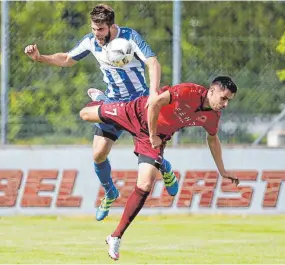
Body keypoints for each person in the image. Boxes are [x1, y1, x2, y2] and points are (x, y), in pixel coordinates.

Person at [24, 4, 178, 221]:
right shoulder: (90, 41)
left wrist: (153, 93)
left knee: (151, 148)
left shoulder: (129, 37)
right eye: (94, 29)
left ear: (112, 26)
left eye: (101, 30)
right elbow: (67, 59)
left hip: (140, 103)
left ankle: (166, 168)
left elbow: (153, 62)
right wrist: (41, 57)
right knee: (98, 154)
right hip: (114, 104)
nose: (97, 34)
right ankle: (110, 192)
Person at [80, 76, 240, 260]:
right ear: (212, 91)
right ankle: (105, 100)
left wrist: (222, 170)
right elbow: (155, 102)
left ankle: (115, 236)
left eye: (229, 100)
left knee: (146, 185)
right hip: (137, 112)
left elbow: (212, 139)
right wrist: (153, 134)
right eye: (224, 98)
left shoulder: (212, 116)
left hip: (154, 137)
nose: (225, 104)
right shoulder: (189, 91)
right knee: (85, 114)